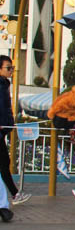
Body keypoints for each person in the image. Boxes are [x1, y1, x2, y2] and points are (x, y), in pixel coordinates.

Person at [0, 55, 29, 205]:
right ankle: (15, 194)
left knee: (4, 162)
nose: (11, 71)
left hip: (3, 130)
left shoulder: (4, 85)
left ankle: (15, 194)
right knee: (4, 163)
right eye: (8, 68)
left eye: (12, 68)